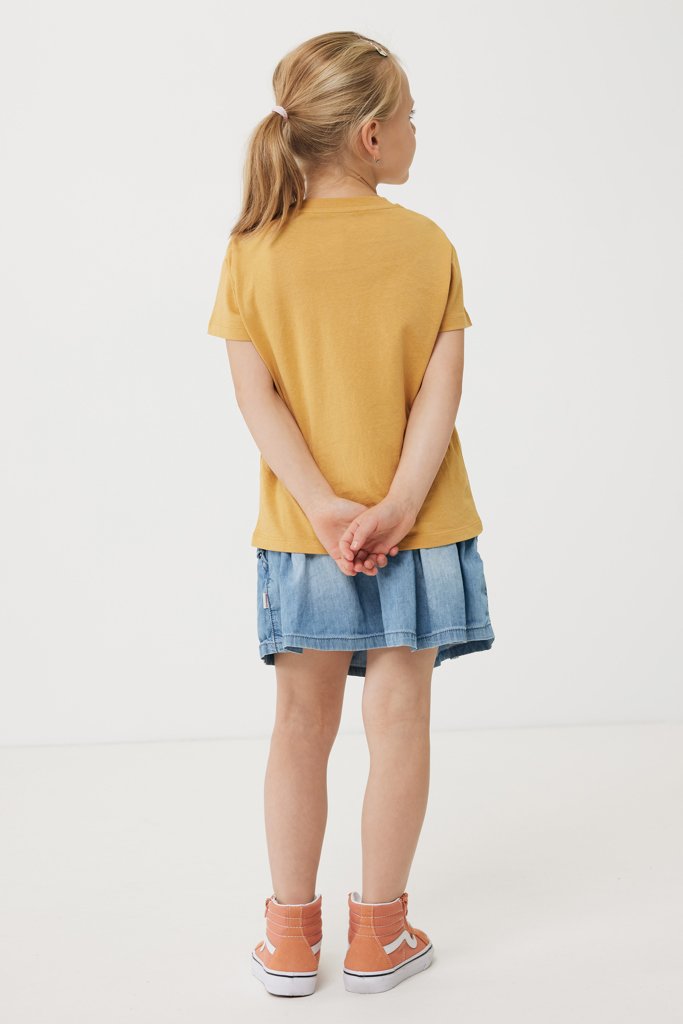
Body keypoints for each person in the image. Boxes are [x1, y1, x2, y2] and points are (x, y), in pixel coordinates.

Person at [206, 30, 495, 997]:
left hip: (305, 536)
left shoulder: (251, 249)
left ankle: (291, 941)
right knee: (400, 718)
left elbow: (256, 399)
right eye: (409, 117)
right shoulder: (426, 245)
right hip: (420, 531)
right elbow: (440, 396)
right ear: (371, 136)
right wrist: (398, 506)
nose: (417, 132)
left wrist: (325, 508)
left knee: (299, 724)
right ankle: (379, 936)